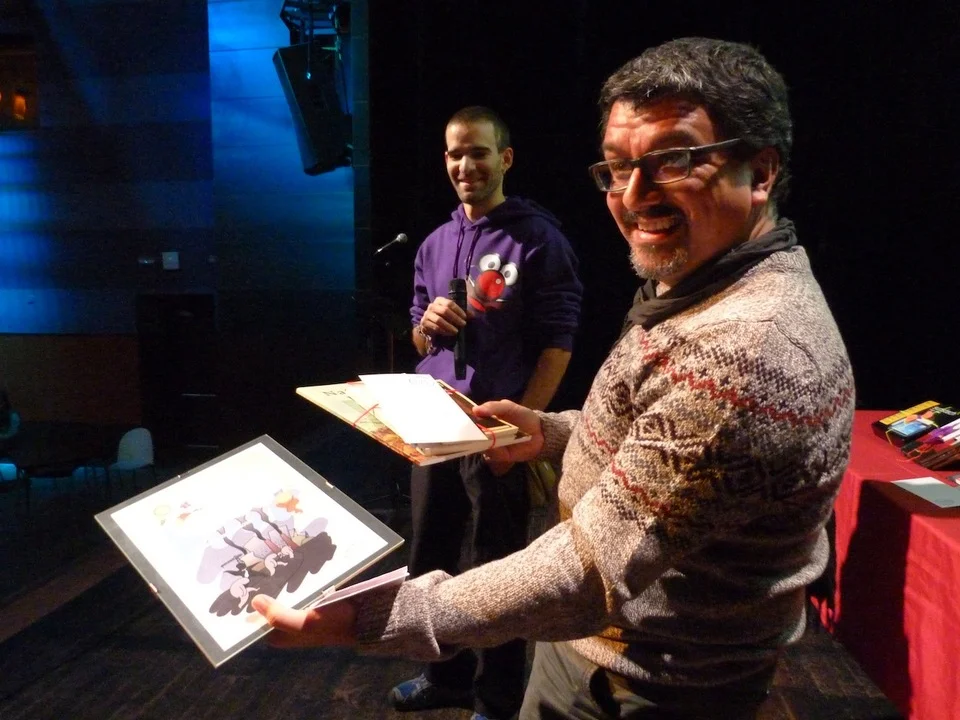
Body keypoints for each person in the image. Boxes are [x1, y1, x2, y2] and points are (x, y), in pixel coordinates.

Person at [254, 38, 855, 720]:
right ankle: (456, 684)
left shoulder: (740, 352)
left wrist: (368, 618)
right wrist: (551, 431)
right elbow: (667, 435)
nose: (634, 196)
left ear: (761, 171)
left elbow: (586, 569)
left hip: (641, 682)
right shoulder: (709, 285)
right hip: (602, 643)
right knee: (438, 544)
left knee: (493, 551)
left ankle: (488, 696)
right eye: (618, 167)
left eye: (675, 160)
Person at [396, 105, 582, 720]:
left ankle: (497, 700)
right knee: (430, 554)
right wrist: (427, 325)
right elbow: (420, 337)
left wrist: (522, 427)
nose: (465, 165)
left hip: (494, 429)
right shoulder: (433, 243)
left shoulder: (538, 238)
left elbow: (558, 343)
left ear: (505, 158)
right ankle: (444, 678)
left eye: (478, 152)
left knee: (497, 566)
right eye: (455, 153)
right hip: (433, 421)